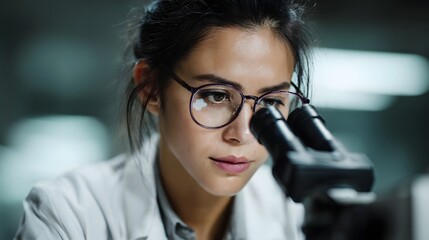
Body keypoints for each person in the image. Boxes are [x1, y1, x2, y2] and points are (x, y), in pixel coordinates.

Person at [15, 0, 313, 239]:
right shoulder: (67, 216)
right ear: (151, 87)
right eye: (216, 96)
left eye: (272, 102)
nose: (243, 133)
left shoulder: (291, 216)